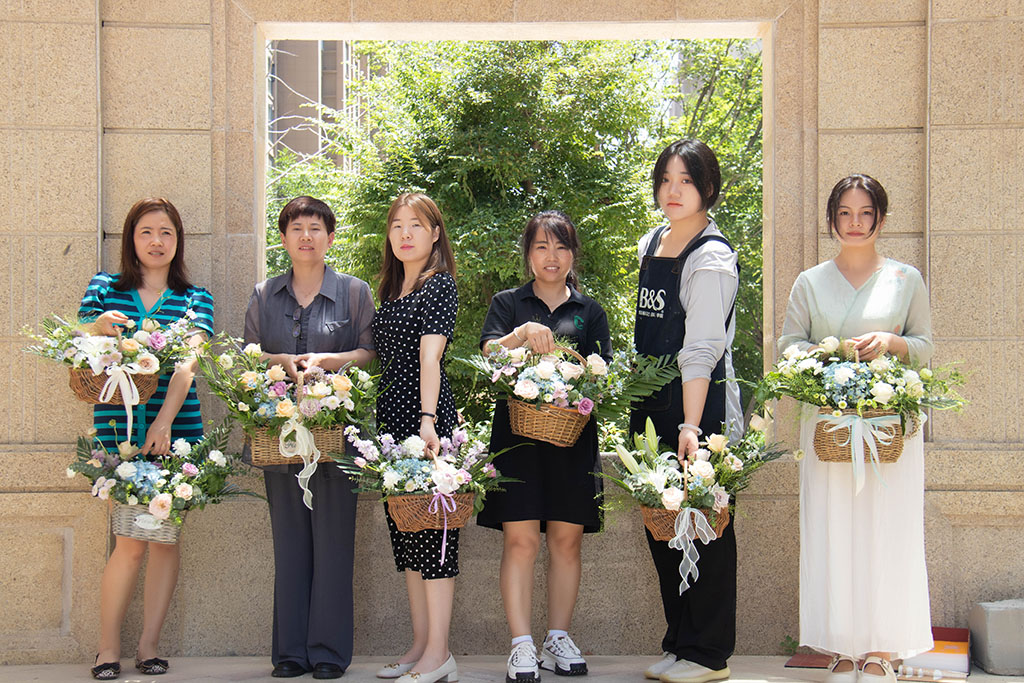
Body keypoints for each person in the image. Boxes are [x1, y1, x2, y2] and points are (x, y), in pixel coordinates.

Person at [778, 175, 934, 683]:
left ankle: (884, 644)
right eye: (844, 213)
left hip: (888, 430)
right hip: (830, 428)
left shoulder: (906, 279)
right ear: (831, 220)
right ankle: (838, 643)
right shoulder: (809, 281)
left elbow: (927, 347)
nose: (854, 223)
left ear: (881, 219)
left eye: (865, 213)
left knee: (886, 529)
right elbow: (788, 347)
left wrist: (893, 340)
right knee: (832, 527)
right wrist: (830, 352)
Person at [79, 197, 215, 680]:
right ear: (131, 239)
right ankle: (106, 649)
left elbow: (190, 362)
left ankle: (149, 646)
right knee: (128, 541)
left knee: (163, 537)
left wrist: (163, 423)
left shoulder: (196, 297)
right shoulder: (104, 288)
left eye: (167, 233)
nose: (157, 242)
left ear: (178, 242)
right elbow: (77, 343)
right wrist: (93, 330)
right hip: (117, 433)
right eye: (146, 232)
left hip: (177, 433)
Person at [243, 196, 375, 680]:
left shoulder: (355, 292)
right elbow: (249, 355)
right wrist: (284, 364)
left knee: (334, 543)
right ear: (283, 238)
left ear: (330, 237)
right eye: (296, 227)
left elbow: (369, 352)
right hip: (279, 435)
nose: (306, 236)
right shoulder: (263, 294)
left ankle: (328, 653)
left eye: (316, 228)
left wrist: (331, 362)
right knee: (291, 542)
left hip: (338, 437)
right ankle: (291, 653)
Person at [477, 210, 611, 682]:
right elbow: (488, 353)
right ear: (528, 253)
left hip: (571, 439)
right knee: (520, 540)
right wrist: (520, 336)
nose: (551, 257)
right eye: (541, 247)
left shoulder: (590, 311)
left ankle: (557, 637)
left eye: (560, 247)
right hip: (517, 439)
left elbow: (602, 374)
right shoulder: (507, 303)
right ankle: (521, 645)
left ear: (573, 254)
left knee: (566, 541)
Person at [631, 140, 742, 683]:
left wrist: (692, 426)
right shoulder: (653, 241)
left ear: (708, 189)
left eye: (687, 181)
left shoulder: (712, 256)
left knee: (705, 525)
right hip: (651, 409)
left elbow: (701, 348)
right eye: (665, 179)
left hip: (698, 408)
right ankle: (679, 640)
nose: (673, 191)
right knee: (663, 525)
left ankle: (708, 653)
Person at [372, 193, 460, 683]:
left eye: (416, 225)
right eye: (397, 225)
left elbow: (431, 359)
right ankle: (421, 645)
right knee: (406, 537)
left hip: (424, 423)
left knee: (434, 538)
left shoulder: (438, 286)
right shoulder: (390, 291)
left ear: (434, 234)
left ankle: (441, 653)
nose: (405, 233)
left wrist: (428, 419)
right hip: (391, 424)